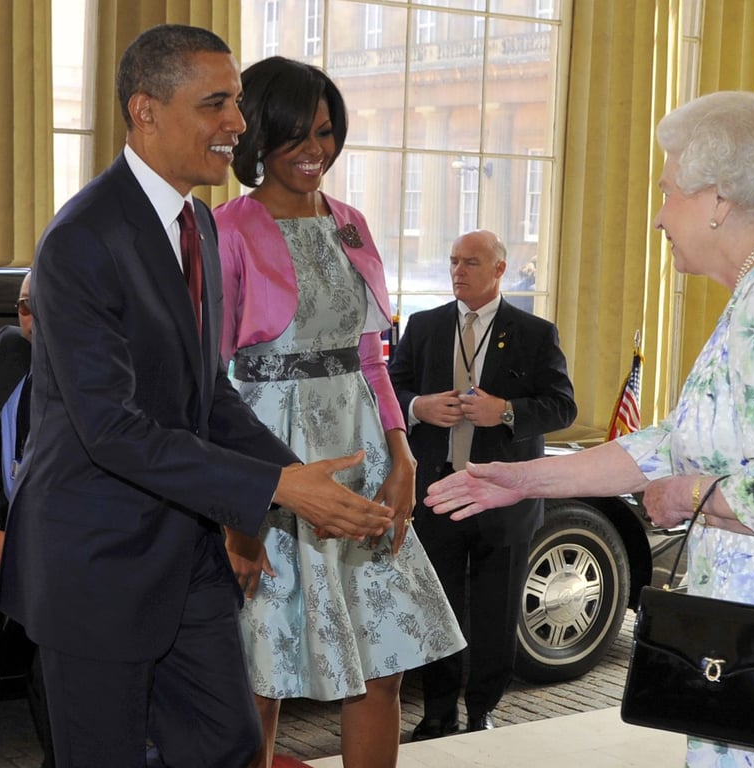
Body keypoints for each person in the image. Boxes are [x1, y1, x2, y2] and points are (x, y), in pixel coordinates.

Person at [425, 92, 754, 767]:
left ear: (716, 199)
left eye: (667, 191)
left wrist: (683, 496)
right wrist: (521, 477)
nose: (658, 216)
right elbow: (674, 440)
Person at [0, 25, 395, 768]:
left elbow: (205, 389)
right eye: (216, 103)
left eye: (237, 102)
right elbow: (111, 428)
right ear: (145, 111)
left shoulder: (198, 225)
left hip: (186, 558)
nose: (238, 125)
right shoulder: (82, 239)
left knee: (229, 742)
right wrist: (276, 486)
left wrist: (303, 480)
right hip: (96, 562)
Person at [213, 56, 465, 768]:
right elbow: (211, 383)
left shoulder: (351, 223)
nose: (314, 151)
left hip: (364, 457)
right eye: (295, 135)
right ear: (257, 136)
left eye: (324, 133)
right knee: (261, 671)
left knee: (382, 663)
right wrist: (242, 515)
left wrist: (404, 452)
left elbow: (371, 356)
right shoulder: (227, 228)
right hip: (273, 459)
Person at [388, 229, 577, 740]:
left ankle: (482, 711)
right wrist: (417, 408)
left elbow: (563, 406)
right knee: (437, 608)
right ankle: (437, 713)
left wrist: (507, 411)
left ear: (499, 269)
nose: (458, 271)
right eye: (453, 261)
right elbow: (386, 386)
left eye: (470, 262)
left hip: (504, 502)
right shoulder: (425, 327)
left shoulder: (535, 333)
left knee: (495, 616)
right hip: (437, 496)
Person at [0, 272, 55, 768]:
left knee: (54, 680)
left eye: (42, 307)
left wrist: (16, 542)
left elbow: (88, 497)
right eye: (24, 307)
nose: (31, 318)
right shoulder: (11, 350)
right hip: (5, 537)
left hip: (69, 559)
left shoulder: (95, 380)